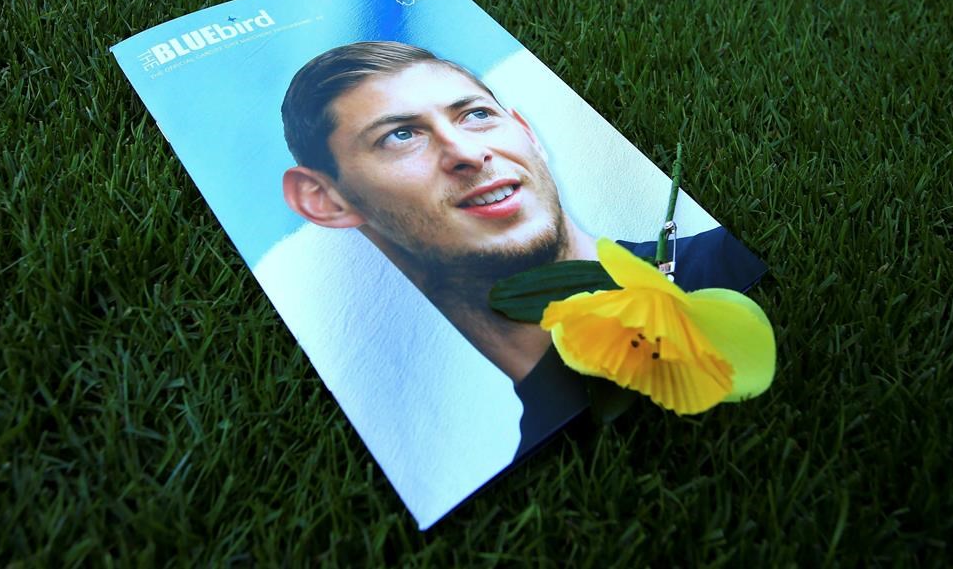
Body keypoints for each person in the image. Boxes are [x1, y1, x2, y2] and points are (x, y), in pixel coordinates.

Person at [281, 41, 764, 455]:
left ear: (526, 132)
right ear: (323, 199)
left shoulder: (721, 262)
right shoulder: (532, 454)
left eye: (476, 115)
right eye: (400, 136)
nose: (468, 153)